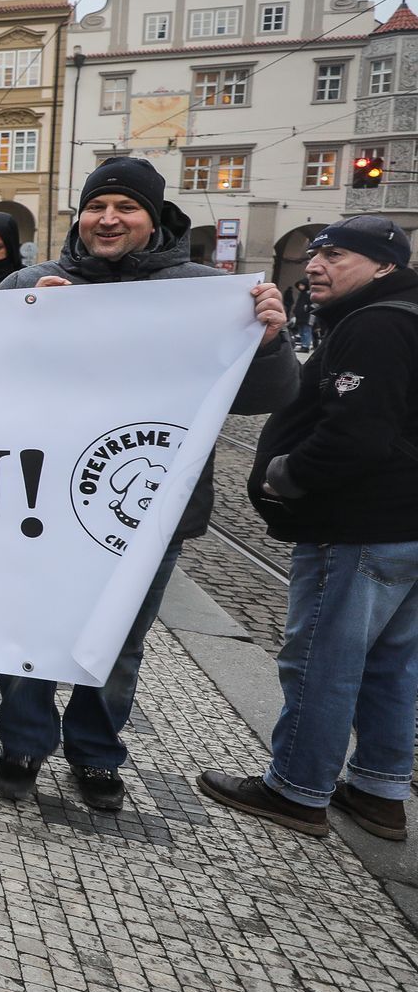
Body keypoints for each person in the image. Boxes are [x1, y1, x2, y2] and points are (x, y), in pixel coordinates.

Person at [0, 157, 291, 809]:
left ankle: (96, 754)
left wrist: (269, 341)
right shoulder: (30, 282)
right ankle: (22, 742)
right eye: (97, 205)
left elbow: (258, 398)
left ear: (152, 218)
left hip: (147, 509)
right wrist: (29, 319)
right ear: (81, 215)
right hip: (37, 497)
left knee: (120, 638)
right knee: (29, 623)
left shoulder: (206, 293)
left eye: (125, 206)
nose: (108, 218)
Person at [200, 216, 418, 840]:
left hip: (358, 524)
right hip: (403, 523)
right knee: (391, 662)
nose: (316, 265)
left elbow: (357, 436)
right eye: (316, 253)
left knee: (322, 658)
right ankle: (380, 790)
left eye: (337, 255)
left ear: (384, 266)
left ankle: (297, 788)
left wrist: (283, 476)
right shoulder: (403, 314)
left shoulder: (376, 325)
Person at [291, 277, 316, 351]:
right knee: (302, 331)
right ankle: (303, 345)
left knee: (306, 330)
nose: (300, 286)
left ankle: (306, 346)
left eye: (302, 285)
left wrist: (308, 308)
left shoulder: (309, 294)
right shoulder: (302, 294)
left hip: (308, 316)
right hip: (301, 316)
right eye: (299, 285)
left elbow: (315, 304)